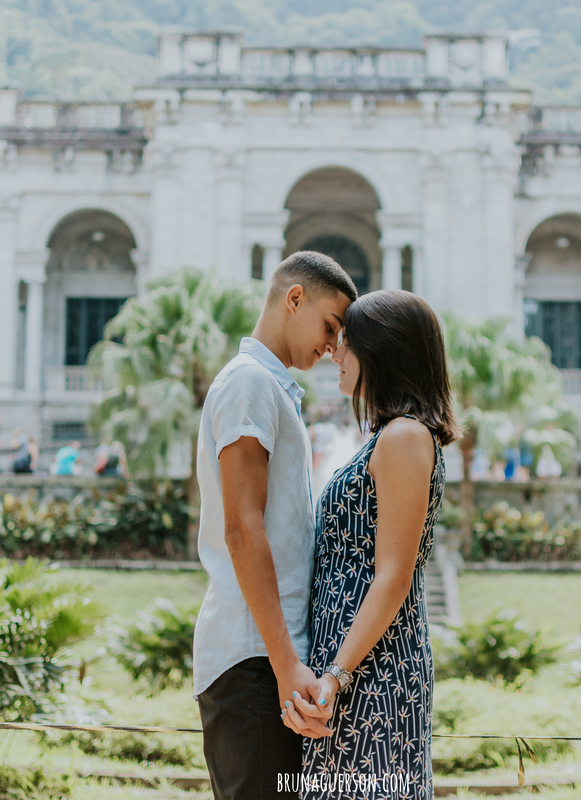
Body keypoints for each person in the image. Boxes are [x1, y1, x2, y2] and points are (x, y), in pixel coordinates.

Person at [281, 290, 459, 800]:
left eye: (347, 342)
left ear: (382, 350)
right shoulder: (389, 435)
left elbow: (393, 575)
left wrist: (336, 674)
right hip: (352, 667)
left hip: (373, 669)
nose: (334, 352)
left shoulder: (404, 436)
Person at [193, 251, 355, 800]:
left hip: (267, 658)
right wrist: (286, 665)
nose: (333, 346)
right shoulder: (249, 384)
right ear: (294, 299)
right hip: (253, 660)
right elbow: (242, 528)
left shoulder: (271, 387)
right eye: (330, 326)